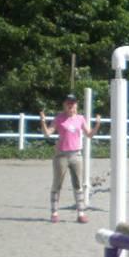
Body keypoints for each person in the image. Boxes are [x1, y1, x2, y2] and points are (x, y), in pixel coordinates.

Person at [40, 94, 101, 223]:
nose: (71, 105)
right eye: (68, 103)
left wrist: (97, 125)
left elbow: (89, 135)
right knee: (57, 183)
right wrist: (43, 121)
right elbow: (47, 133)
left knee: (78, 184)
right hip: (61, 155)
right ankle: (54, 212)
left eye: (73, 103)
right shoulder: (59, 118)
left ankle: (81, 213)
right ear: (64, 104)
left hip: (76, 155)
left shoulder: (80, 119)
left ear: (76, 105)